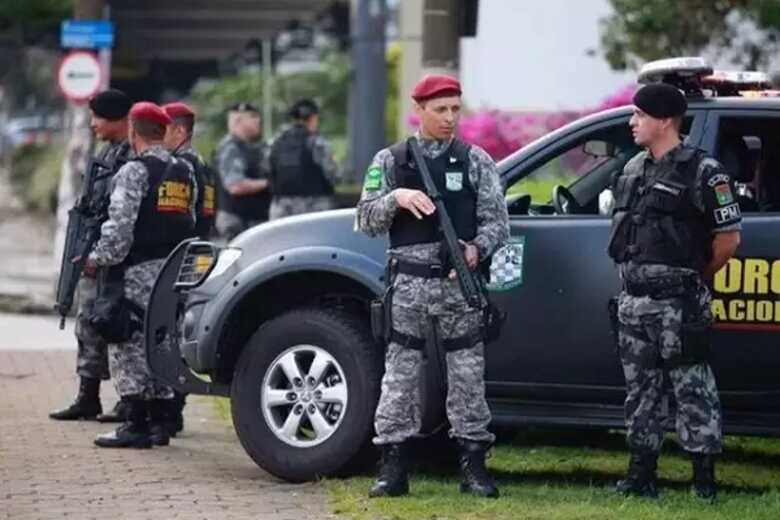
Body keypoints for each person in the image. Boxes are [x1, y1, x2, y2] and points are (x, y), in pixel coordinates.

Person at [355, 74, 509, 499]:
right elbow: (365, 219)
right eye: (440, 109)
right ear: (419, 110)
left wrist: (476, 249)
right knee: (400, 377)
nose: (449, 117)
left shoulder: (475, 160)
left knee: (468, 377)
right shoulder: (391, 160)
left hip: (459, 286)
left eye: (455, 109)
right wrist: (397, 199)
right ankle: (393, 468)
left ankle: (474, 466)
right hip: (408, 287)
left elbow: (498, 223)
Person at [607, 83, 742, 500]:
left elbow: (728, 240)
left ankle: (703, 480)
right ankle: (640, 475)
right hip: (634, 302)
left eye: (639, 115)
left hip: (679, 304)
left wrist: (694, 277)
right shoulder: (634, 169)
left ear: (664, 120)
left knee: (692, 389)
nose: (632, 122)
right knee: (640, 391)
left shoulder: (705, 171)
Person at [86, 102, 196, 448]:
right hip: (172, 269)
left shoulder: (134, 171)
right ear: (163, 132)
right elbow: (190, 220)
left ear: (133, 131)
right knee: (162, 341)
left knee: (127, 342)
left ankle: (134, 423)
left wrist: (96, 259)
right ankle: (160, 423)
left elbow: (119, 229)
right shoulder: (183, 170)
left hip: (136, 270)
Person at [49, 89, 132, 423]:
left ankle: (131, 400)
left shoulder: (132, 155)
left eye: (98, 117)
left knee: (121, 327)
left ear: (117, 119)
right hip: (96, 249)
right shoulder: (106, 152)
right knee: (88, 321)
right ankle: (88, 396)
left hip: (120, 255)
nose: (93, 124)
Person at [267, 99, 338, 219]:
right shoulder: (317, 143)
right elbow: (333, 175)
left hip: (282, 209)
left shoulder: (275, 142)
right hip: (314, 207)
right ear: (313, 118)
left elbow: (267, 170)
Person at [214, 102, 269, 239]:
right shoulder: (230, 148)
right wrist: (268, 183)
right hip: (237, 221)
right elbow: (235, 186)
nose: (258, 121)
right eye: (253, 117)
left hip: (250, 218)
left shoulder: (251, 147)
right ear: (238, 121)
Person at [162, 101, 216, 239]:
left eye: (162, 128)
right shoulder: (202, 163)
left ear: (179, 131)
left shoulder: (180, 166)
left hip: (184, 244)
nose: (158, 133)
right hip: (201, 239)